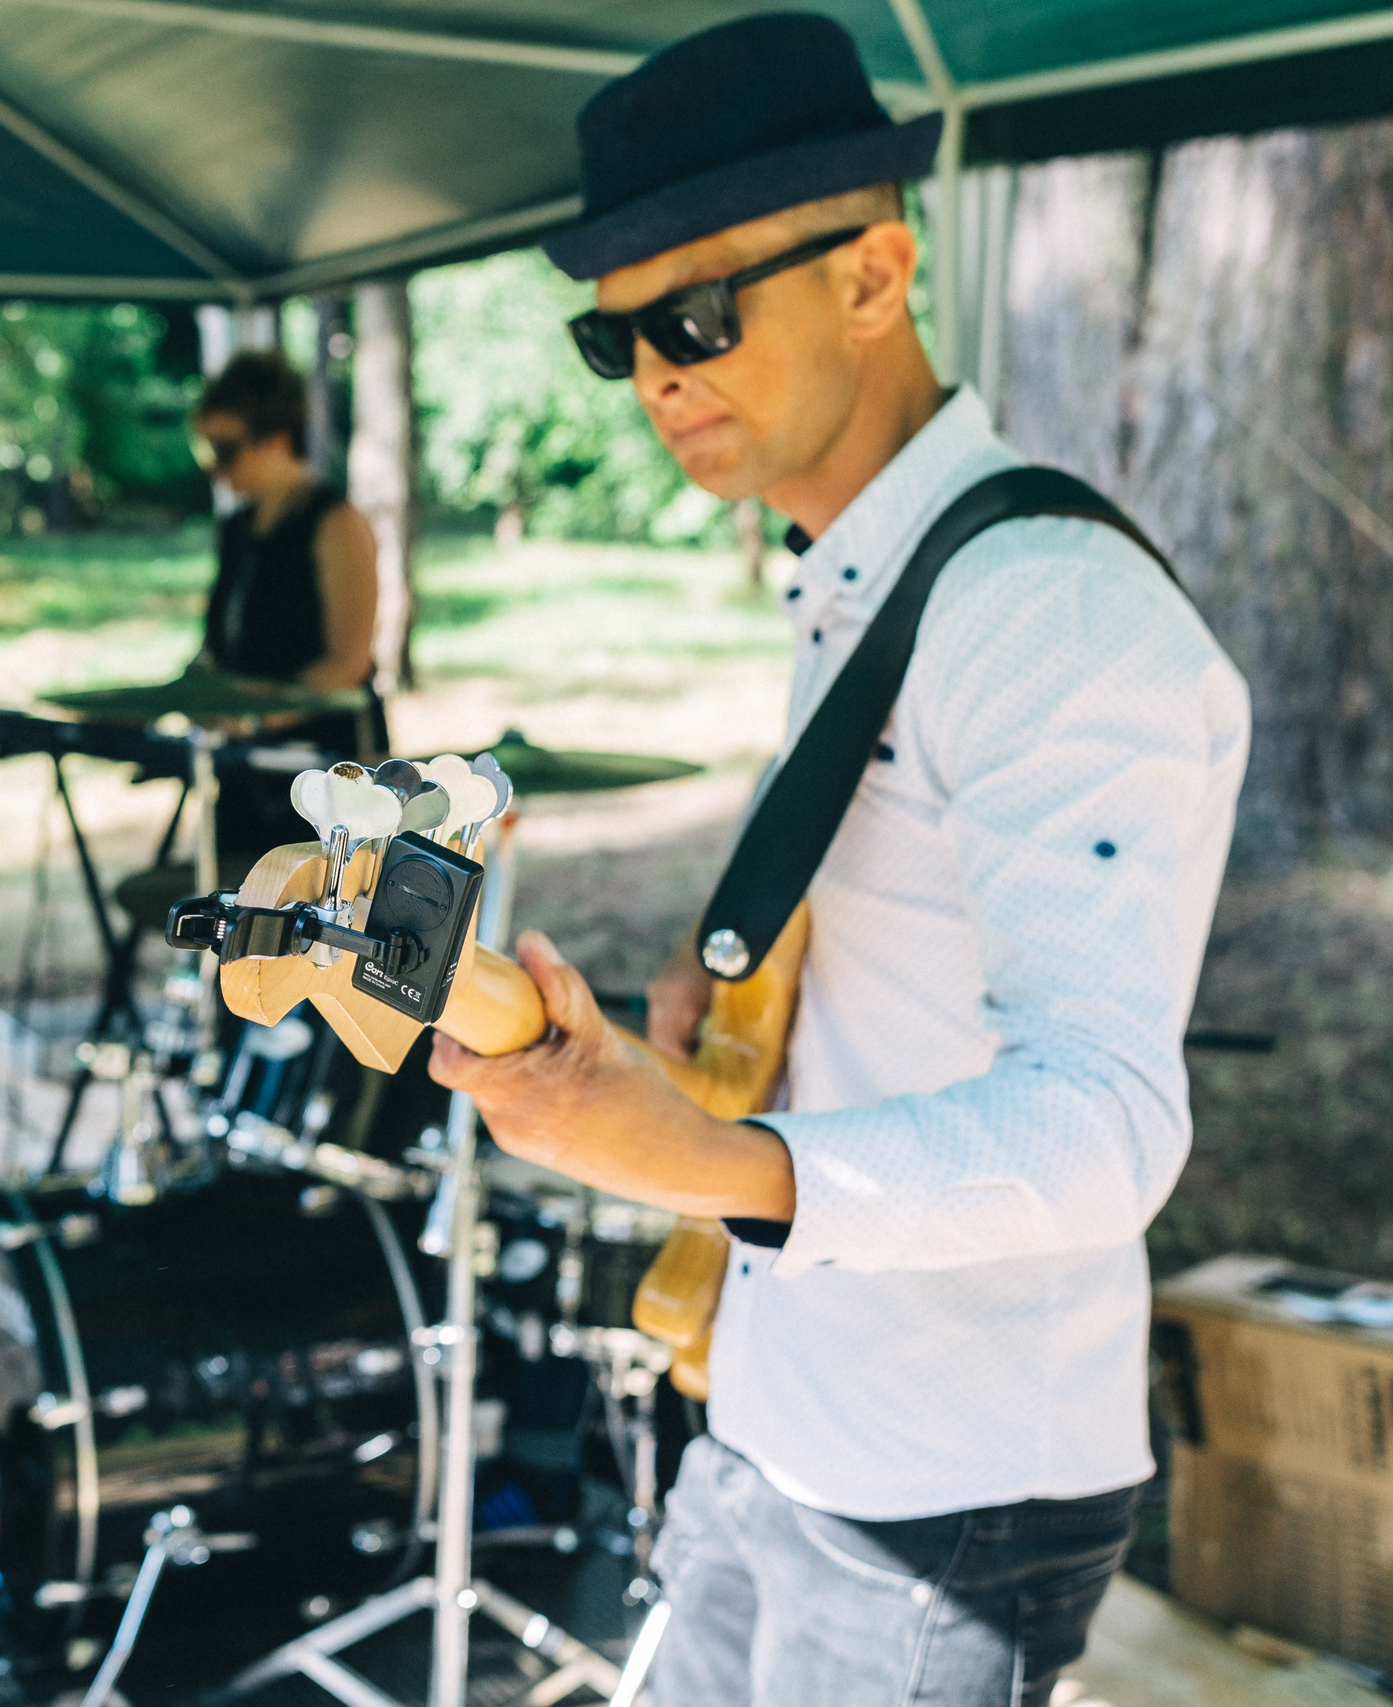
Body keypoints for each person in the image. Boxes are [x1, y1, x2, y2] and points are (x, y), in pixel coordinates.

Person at [429, 16, 1249, 1706]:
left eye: (696, 314)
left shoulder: (1048, 614)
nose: (657, 373)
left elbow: (1104, 1123)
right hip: (779, 1406)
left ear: (876, 274)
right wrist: (738, 1025)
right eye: (614, 339)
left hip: (946, 1488)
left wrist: (712, 1149)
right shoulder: (865, 573)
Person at [190, 350, 381, 855]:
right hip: (245, 769)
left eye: (226, 449)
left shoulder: (336, 524)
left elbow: (348, 663)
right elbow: (220, 648)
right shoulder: (236, 530)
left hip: (323, 780)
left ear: (277, 439)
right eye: (204, 449)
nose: (215, 467)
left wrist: (255, 714)